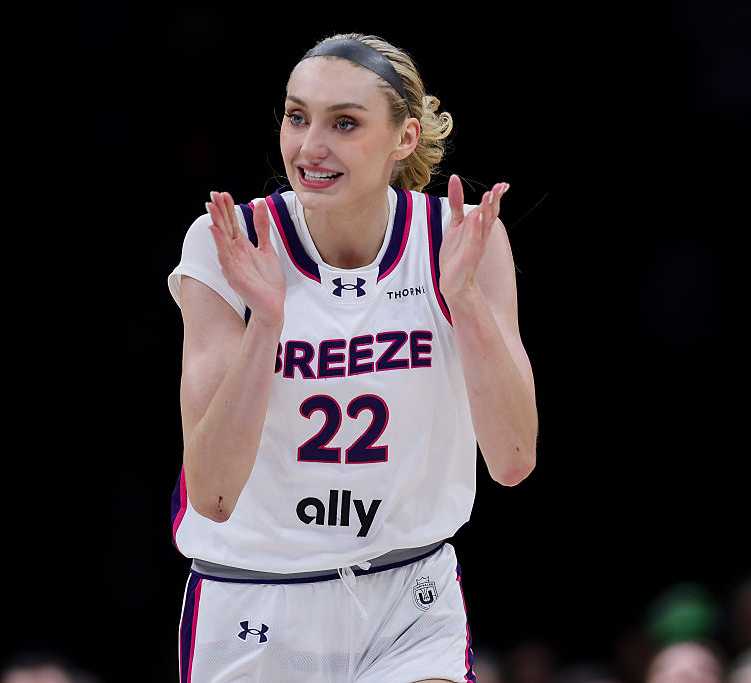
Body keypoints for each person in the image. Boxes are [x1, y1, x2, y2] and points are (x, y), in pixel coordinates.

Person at [167, 32, 537, 682]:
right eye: (297, 115)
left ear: (403, 137)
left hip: (407, 593)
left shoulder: (462, 238)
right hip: (255, 593)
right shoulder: (226, 241)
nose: (311, 146)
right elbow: (215, 493)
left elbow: (512, 460)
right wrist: (268, 325)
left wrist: (465, 302)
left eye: (344, 123)